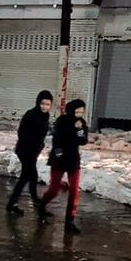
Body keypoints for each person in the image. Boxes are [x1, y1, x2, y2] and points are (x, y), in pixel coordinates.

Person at [38, 99, 89, 234]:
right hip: (59, 158)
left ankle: (70, 221)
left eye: (81, 112)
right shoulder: (62, 121)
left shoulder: (81, 123)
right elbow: (57, 139)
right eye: (77, 111)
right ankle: (41, 205)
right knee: (54, 189)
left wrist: (79, 129)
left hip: (73, 159)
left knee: (74, 191)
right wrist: (59, 153)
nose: (79, 114)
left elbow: (83, 141)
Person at [6, 90, 54, 216]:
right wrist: (31, 144)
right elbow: (21, 132)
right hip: (25, 150)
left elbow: (42, 134)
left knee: (30, 176)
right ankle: (14, 203)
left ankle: (29, 200)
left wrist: (40, 145)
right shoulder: (31, 114)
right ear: (38, 103)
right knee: (27, 176)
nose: (45, 107)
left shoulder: (46, 116)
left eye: (48, 104)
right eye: (43, 103)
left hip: (34, 151)